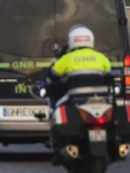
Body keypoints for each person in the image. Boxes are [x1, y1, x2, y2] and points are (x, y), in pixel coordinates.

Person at [46, 25, 111, 163]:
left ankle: (58, 148)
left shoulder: (67, 58)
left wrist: (58, 85)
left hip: (75, 97)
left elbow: (52, 76)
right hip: (101, 99)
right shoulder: (100, 57)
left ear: (72, 41)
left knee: (56, 111)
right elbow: (110, 76)